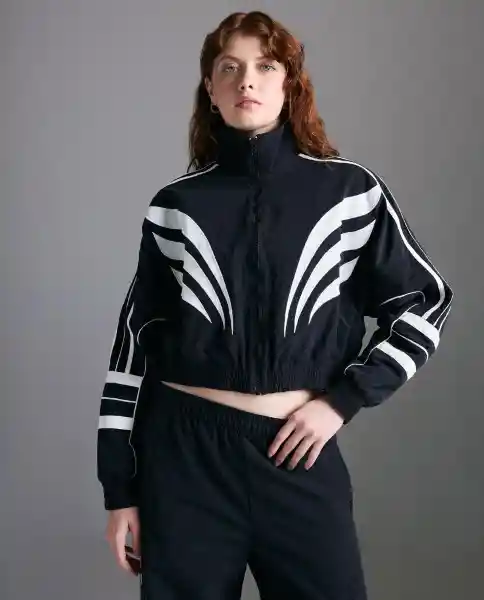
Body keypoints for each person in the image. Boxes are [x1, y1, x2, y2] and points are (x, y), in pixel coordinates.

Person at [96, 10, 453, 600]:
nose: (246, 81)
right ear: (210, 88)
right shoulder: (175, 207)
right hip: (184, 461)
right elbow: (132, 347)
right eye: (229, 68)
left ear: (290, 83)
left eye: (265, 66)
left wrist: (342, 401)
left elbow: (425, 302)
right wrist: (120, 491)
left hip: (297, 453)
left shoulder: (350, 193)